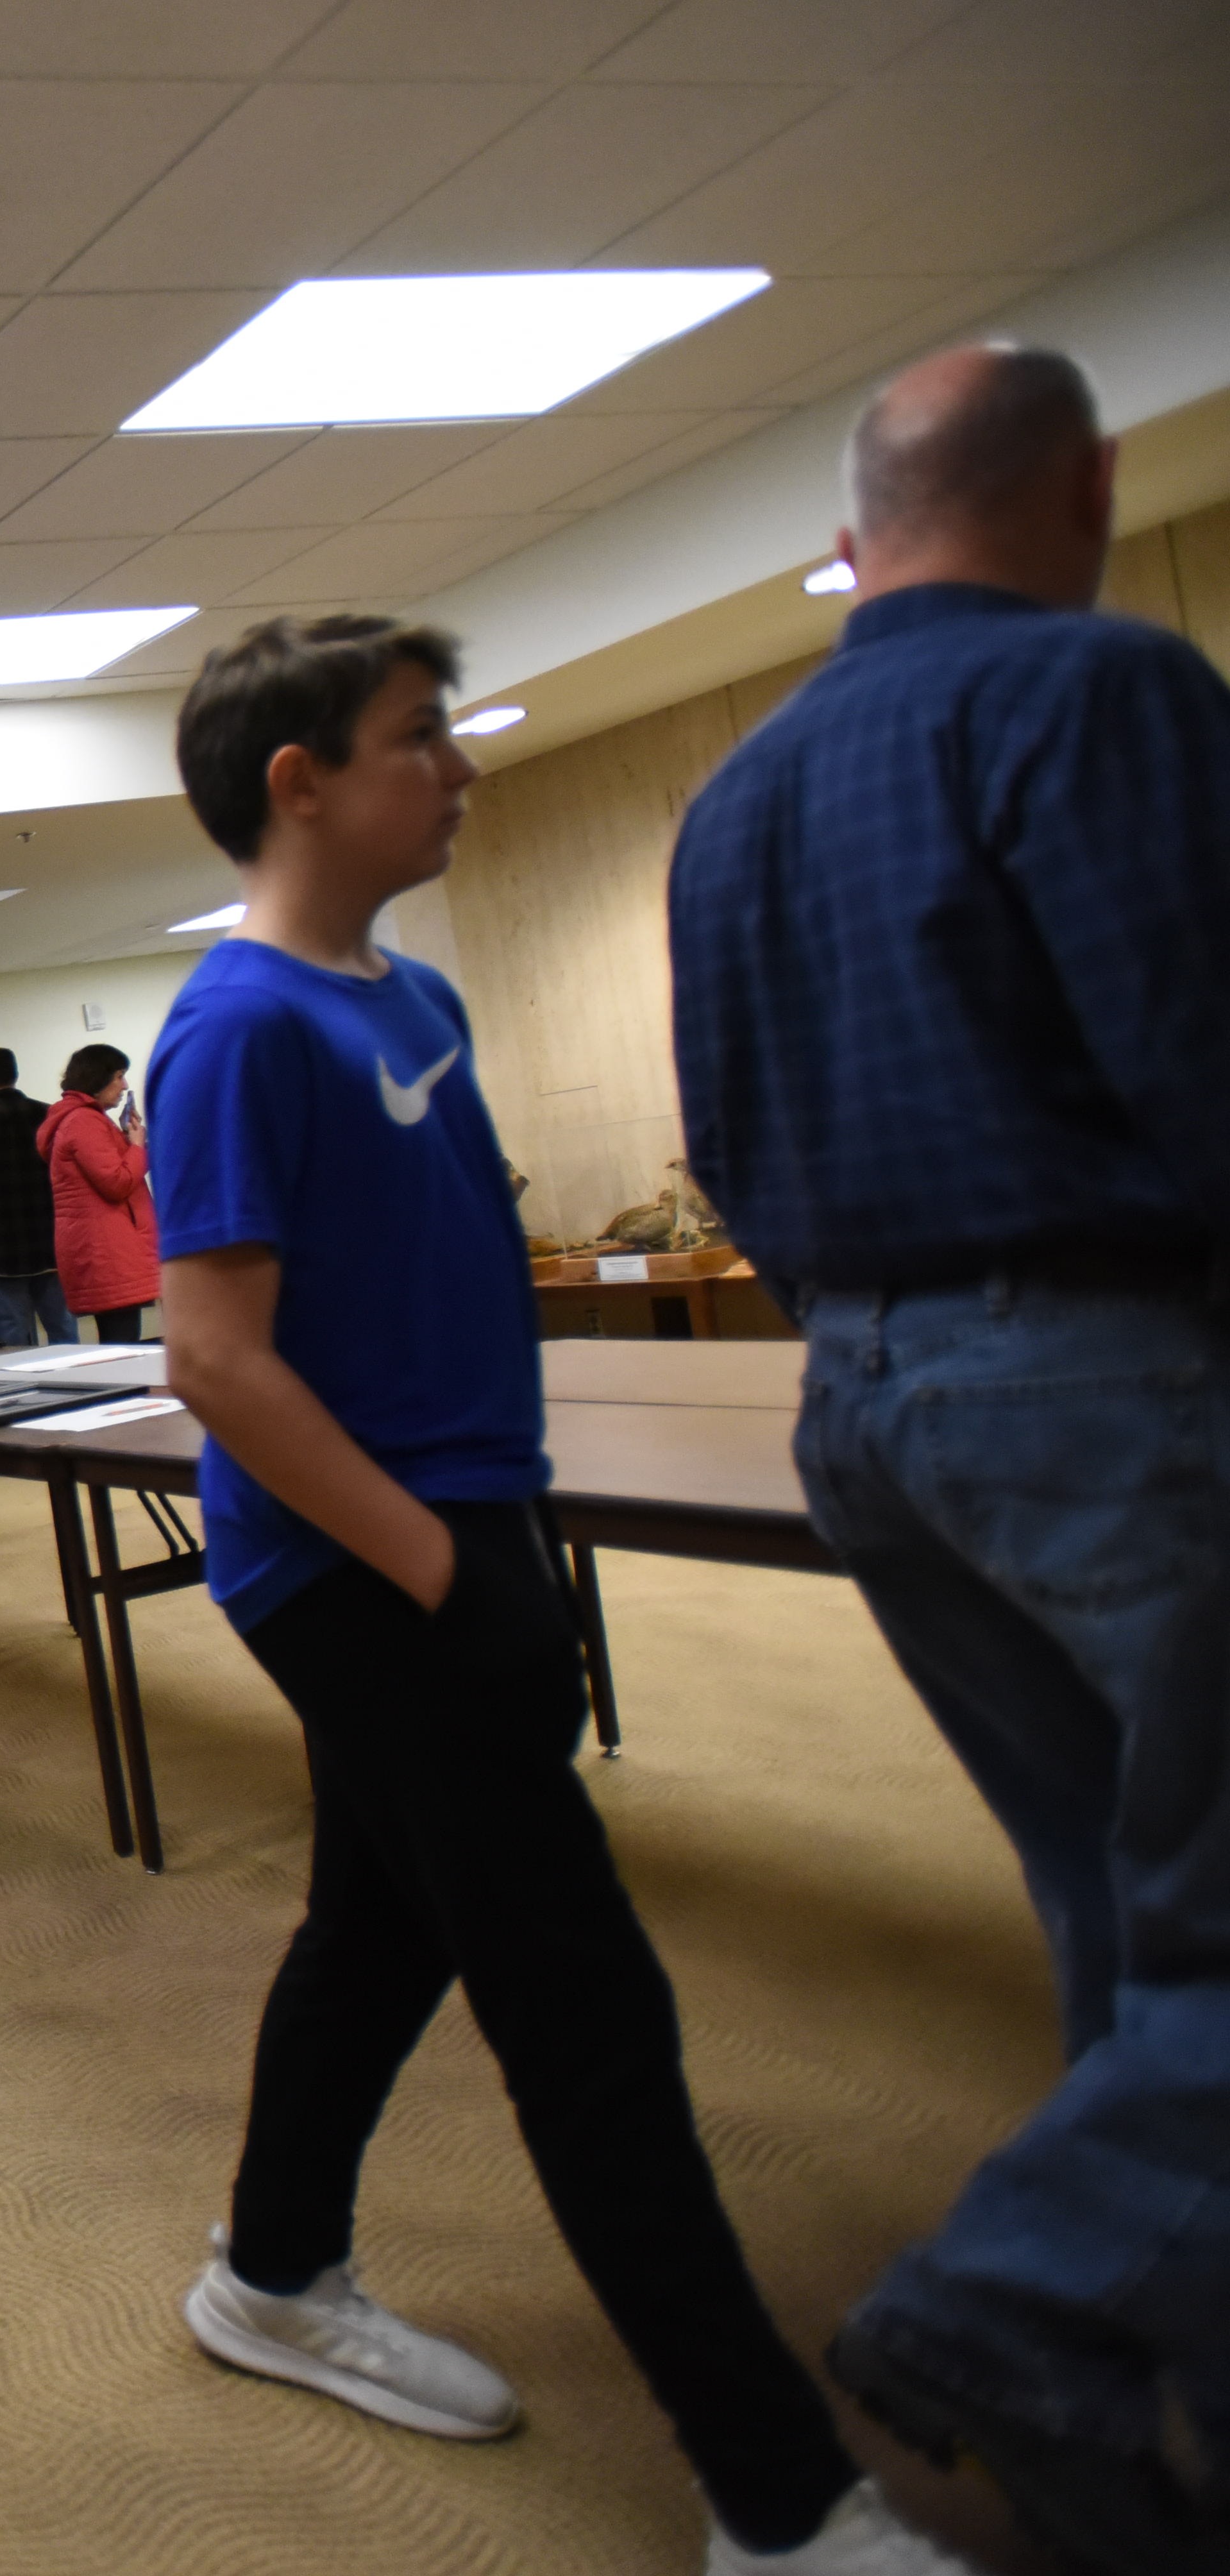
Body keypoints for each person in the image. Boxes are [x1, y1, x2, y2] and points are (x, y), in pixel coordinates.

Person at [148, 614, 952, 2576]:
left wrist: (497, 1539)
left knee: (379, 1925)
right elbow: (217, 1362)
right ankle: (779, 2501)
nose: (462, 767)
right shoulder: (235, 1026)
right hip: (358, 1568)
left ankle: (264, 2272)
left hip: (462, 1541)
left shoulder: (406, 996)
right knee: (588, 2006)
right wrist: (438, 1570)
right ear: (300, 780)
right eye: (423, 736)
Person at [673, 343, 1230, 2572]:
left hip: (862, 1409)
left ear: (851, 527)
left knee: (1123, 1892)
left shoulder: (737, 789)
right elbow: (1197, 1055)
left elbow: (723, 1143)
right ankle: (1013, 2300)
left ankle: (1140, 2360)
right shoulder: (1100, 691)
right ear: (1085, 484)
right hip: (1093, 1379)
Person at [42, 1043, 157, 1341]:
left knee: (119, 1345)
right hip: (108, 1253)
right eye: (119, 1076)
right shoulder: (84, 1121)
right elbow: (117, 1183)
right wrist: (135, 1145)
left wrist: (123, 1138)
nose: (125, 1086)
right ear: (98, 1077)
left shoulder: (86, 1120)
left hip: (104, 1250)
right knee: (123, 1348)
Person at [0, 1048, 69, 1348]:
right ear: (15, 1075)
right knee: (65, 1333)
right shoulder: (48, 1116)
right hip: (52, 1245)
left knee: (13, 1340)